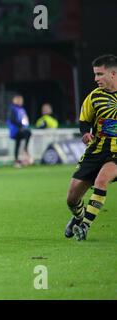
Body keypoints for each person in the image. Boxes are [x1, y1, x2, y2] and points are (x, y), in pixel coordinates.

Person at [65, 54, 117, 241]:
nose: (95, 79)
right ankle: (78, 217)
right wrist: (85, 133)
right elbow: (84, 121)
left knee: (101, 181)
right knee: (72, 199)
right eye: (95, 74)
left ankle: (85, 226)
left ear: (113, 74)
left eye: (99, 74)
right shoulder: (94, 97)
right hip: (96, 151)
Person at [6, 94, 32, 167]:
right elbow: (11, 119)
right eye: (19, 100)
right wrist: (20, 125)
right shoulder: (13, 108)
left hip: (21, 129)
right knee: (26, 134)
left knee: (18, 143)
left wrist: (25, 124)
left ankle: (18, 159)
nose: (20, 101)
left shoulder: (21, 109)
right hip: (15, 130)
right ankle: (24, 150)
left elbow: (25, 119)